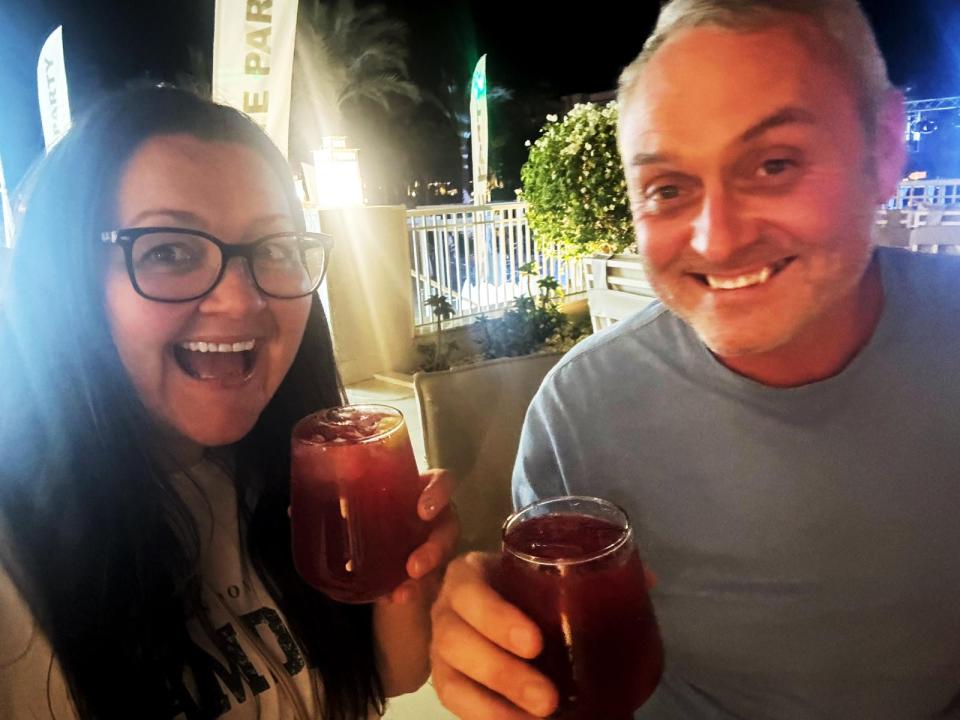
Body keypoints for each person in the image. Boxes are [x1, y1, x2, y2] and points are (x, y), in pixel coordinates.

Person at [429, 1, 960, 718]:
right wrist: (489, 646)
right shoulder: (581, 411)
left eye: (775, 163)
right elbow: (555, 660)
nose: (717, 240)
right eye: (669, 189)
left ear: (887, 146)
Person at [0, 85, 457, 719]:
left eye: (273, 249)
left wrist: (402, 580)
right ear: (66, 280)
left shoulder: (294, 474)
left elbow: (391, 679)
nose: (241, 301)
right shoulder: (15, 558)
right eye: (168, 251)